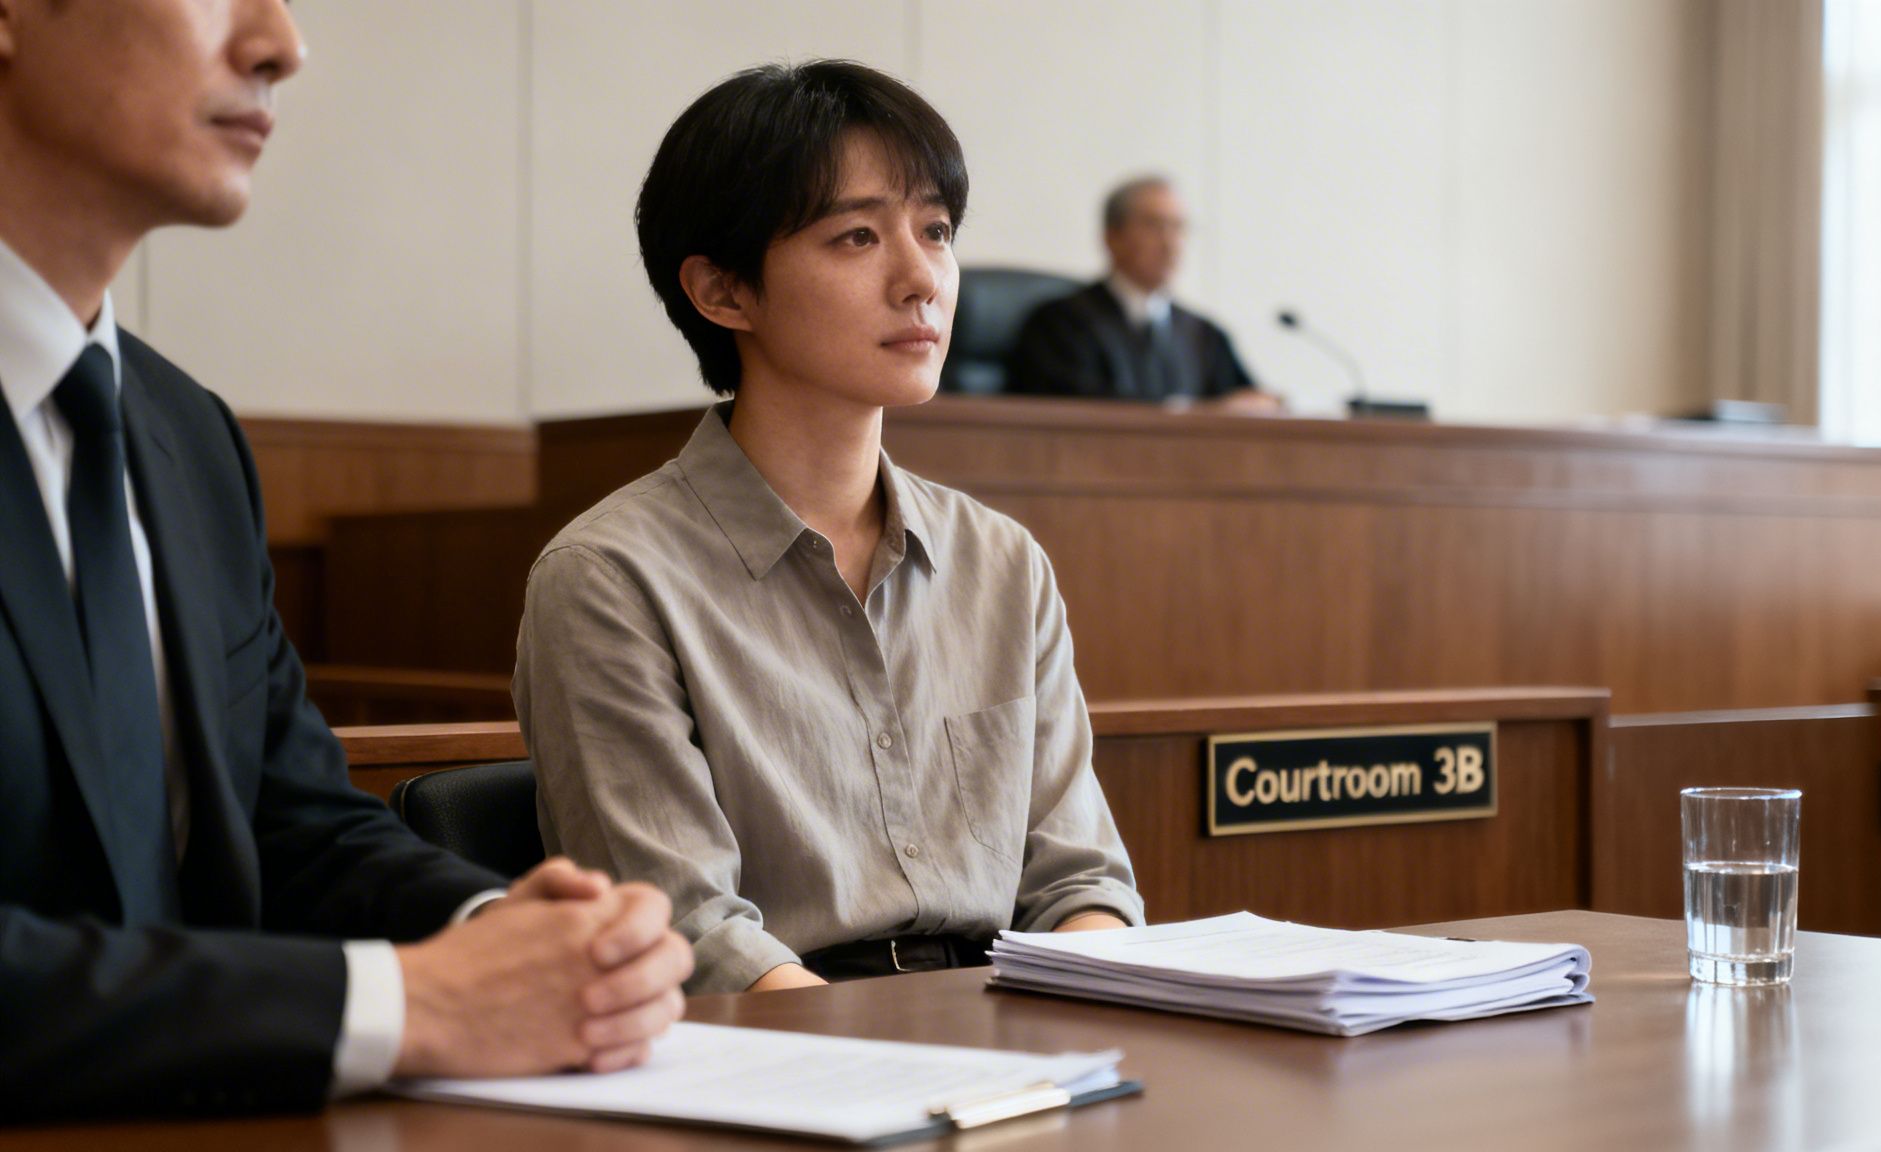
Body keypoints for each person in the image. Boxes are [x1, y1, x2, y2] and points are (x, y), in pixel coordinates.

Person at [0, 0, 692, 1120]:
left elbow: (295, 822)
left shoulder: (187, 435)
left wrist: (507, 939)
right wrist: (400, 1003)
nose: (282, 43)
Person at [514, 60, 1144, 997]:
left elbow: (1079, 881)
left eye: (935, 230)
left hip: (1010, 1030)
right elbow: (690, 931)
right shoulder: (610, 576)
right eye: (857, 236)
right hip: (779, 1055)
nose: (921, 275)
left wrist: (1087, 1017)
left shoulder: (1000, 561)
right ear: (725, 293)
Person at [1007, 176, 1280, 410]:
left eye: (1178, 227)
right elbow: (1076, 410)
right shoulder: (1060, 325)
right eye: (1154, 225)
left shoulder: (1203, 334)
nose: (1170, 244)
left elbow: (1250, 400)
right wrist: (1193, 413)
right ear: (1112, 237)